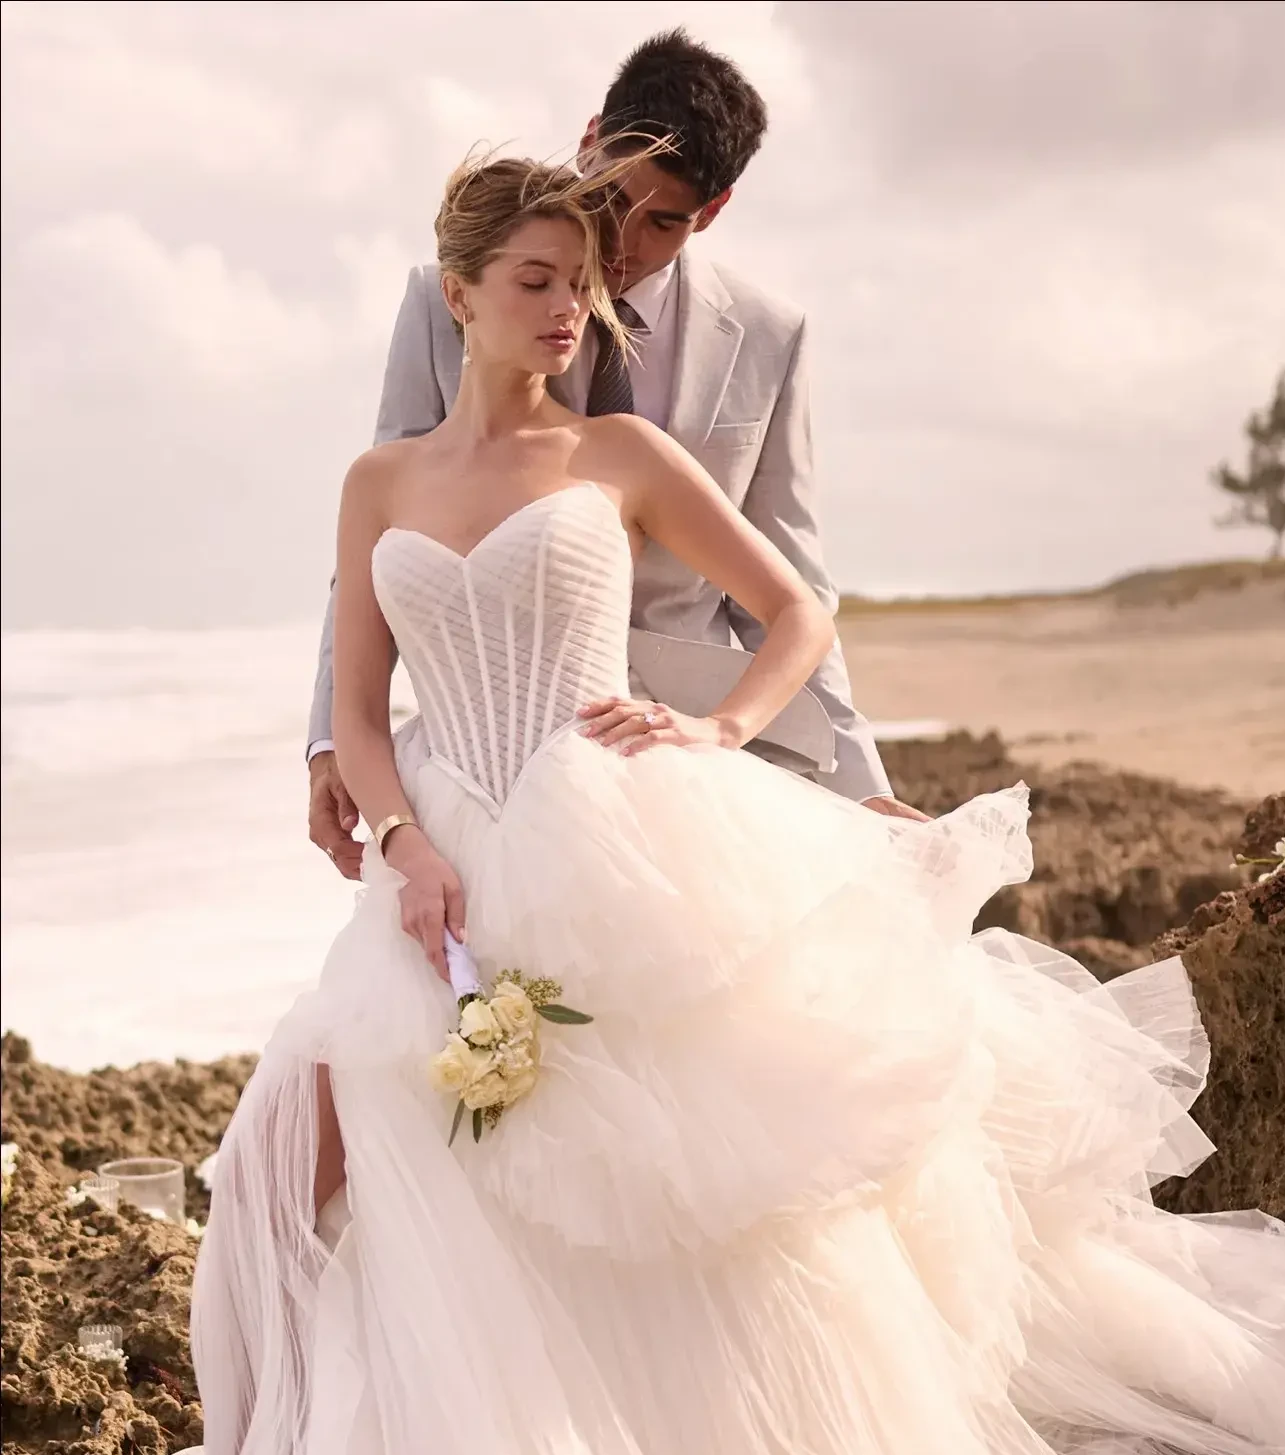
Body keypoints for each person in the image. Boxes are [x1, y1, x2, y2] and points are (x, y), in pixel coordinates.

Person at [45, 151, 1285, 1455]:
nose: (569, 310)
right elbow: (357, 702)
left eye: (583, 284)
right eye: (537, 280)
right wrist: (402, 847)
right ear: (460, 292)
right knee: (281, 1159)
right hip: (441, 867)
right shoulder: (378, 480)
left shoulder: (620, 458)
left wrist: (711, 731)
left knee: (647, 1201)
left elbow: (794, 608)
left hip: (613, 848)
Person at [307, 29, 920, 886]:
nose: (623, 239)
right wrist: (333, 741)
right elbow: (380, 543)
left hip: (675, 759)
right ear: (591, 139)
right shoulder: (449, 294)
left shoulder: (769, 338)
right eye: (614, 195)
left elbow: (795, 584)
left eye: (664, 221)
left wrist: (856, 787)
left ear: (712, 211)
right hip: (481, 769)